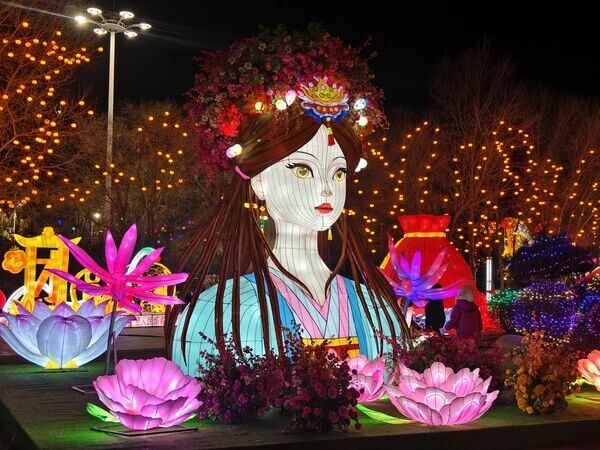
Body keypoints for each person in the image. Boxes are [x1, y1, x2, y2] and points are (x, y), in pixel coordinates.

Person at [166, 78, 410, 376]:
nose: (325, 189)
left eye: (338, 173)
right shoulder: (220, 311)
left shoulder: (372, 305)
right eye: (303, 170)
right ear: (259, 182)